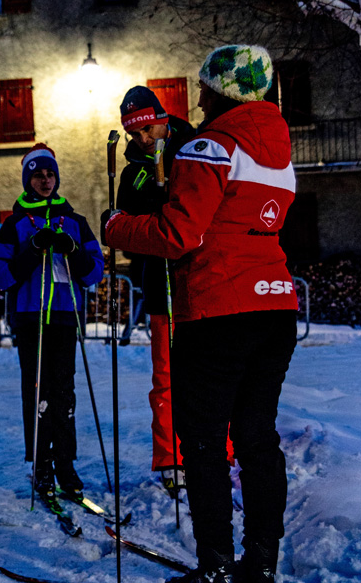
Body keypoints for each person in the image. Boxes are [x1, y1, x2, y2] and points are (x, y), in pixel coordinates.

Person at [103, 45, 298, 583]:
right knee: (258, 436)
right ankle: (260, 562)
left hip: (218, 307)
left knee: (206, 439)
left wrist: (116, 226)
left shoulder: (210, 145)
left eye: (204, 87)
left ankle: (213, 564)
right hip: (275, 303)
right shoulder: (279, 150)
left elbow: (177, 233)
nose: (197, 96)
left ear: (220, 92)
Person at [0, 144, 104, 501]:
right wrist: (33, 248)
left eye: (50, 174)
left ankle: (66, 464)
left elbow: (95, 272)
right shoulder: (15, 224)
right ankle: (41, 465)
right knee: (38, 392)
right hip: (31, 317)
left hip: (64, 316)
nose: (45, 180)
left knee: (64, 393)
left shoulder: (75, 221)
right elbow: (2, 276)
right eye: (38, 174)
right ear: (28, 179)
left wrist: (73, 249)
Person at [116, 85, 196, 496]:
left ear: (161, 117)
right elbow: (128, 235)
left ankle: (220, 451)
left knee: (211, 374)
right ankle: (171, 457)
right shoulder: (133, 171)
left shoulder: (194, 147)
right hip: (159, 285)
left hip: (200, 284)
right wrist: (153, 212)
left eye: (147, 129)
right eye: (135, 134)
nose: (143, 139)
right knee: (166, 376)